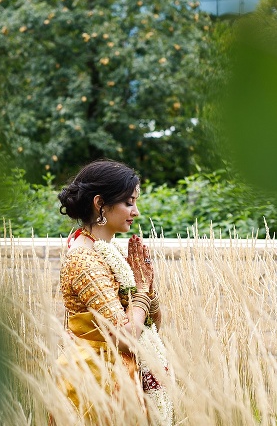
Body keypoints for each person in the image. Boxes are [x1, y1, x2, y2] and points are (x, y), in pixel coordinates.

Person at [56, 159, 172, 425]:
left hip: (120, 378)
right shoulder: (84, 259)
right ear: (100, 203)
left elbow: (152, 325)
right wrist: (141, 289)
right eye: (129, 203)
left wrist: (147, 287)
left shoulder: (112, 251)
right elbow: (125, 338)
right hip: (95, 383)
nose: (136, 212)